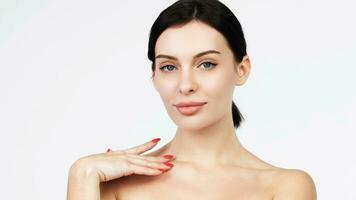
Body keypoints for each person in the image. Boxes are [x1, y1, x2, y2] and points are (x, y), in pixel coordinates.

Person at [67, 0, 317, 199]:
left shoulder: (286, 187)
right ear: (154, 76)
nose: (186, 85)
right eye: (168, 67)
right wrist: (81, 175)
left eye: (206, 64)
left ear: (241, 69)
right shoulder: (110, 185)